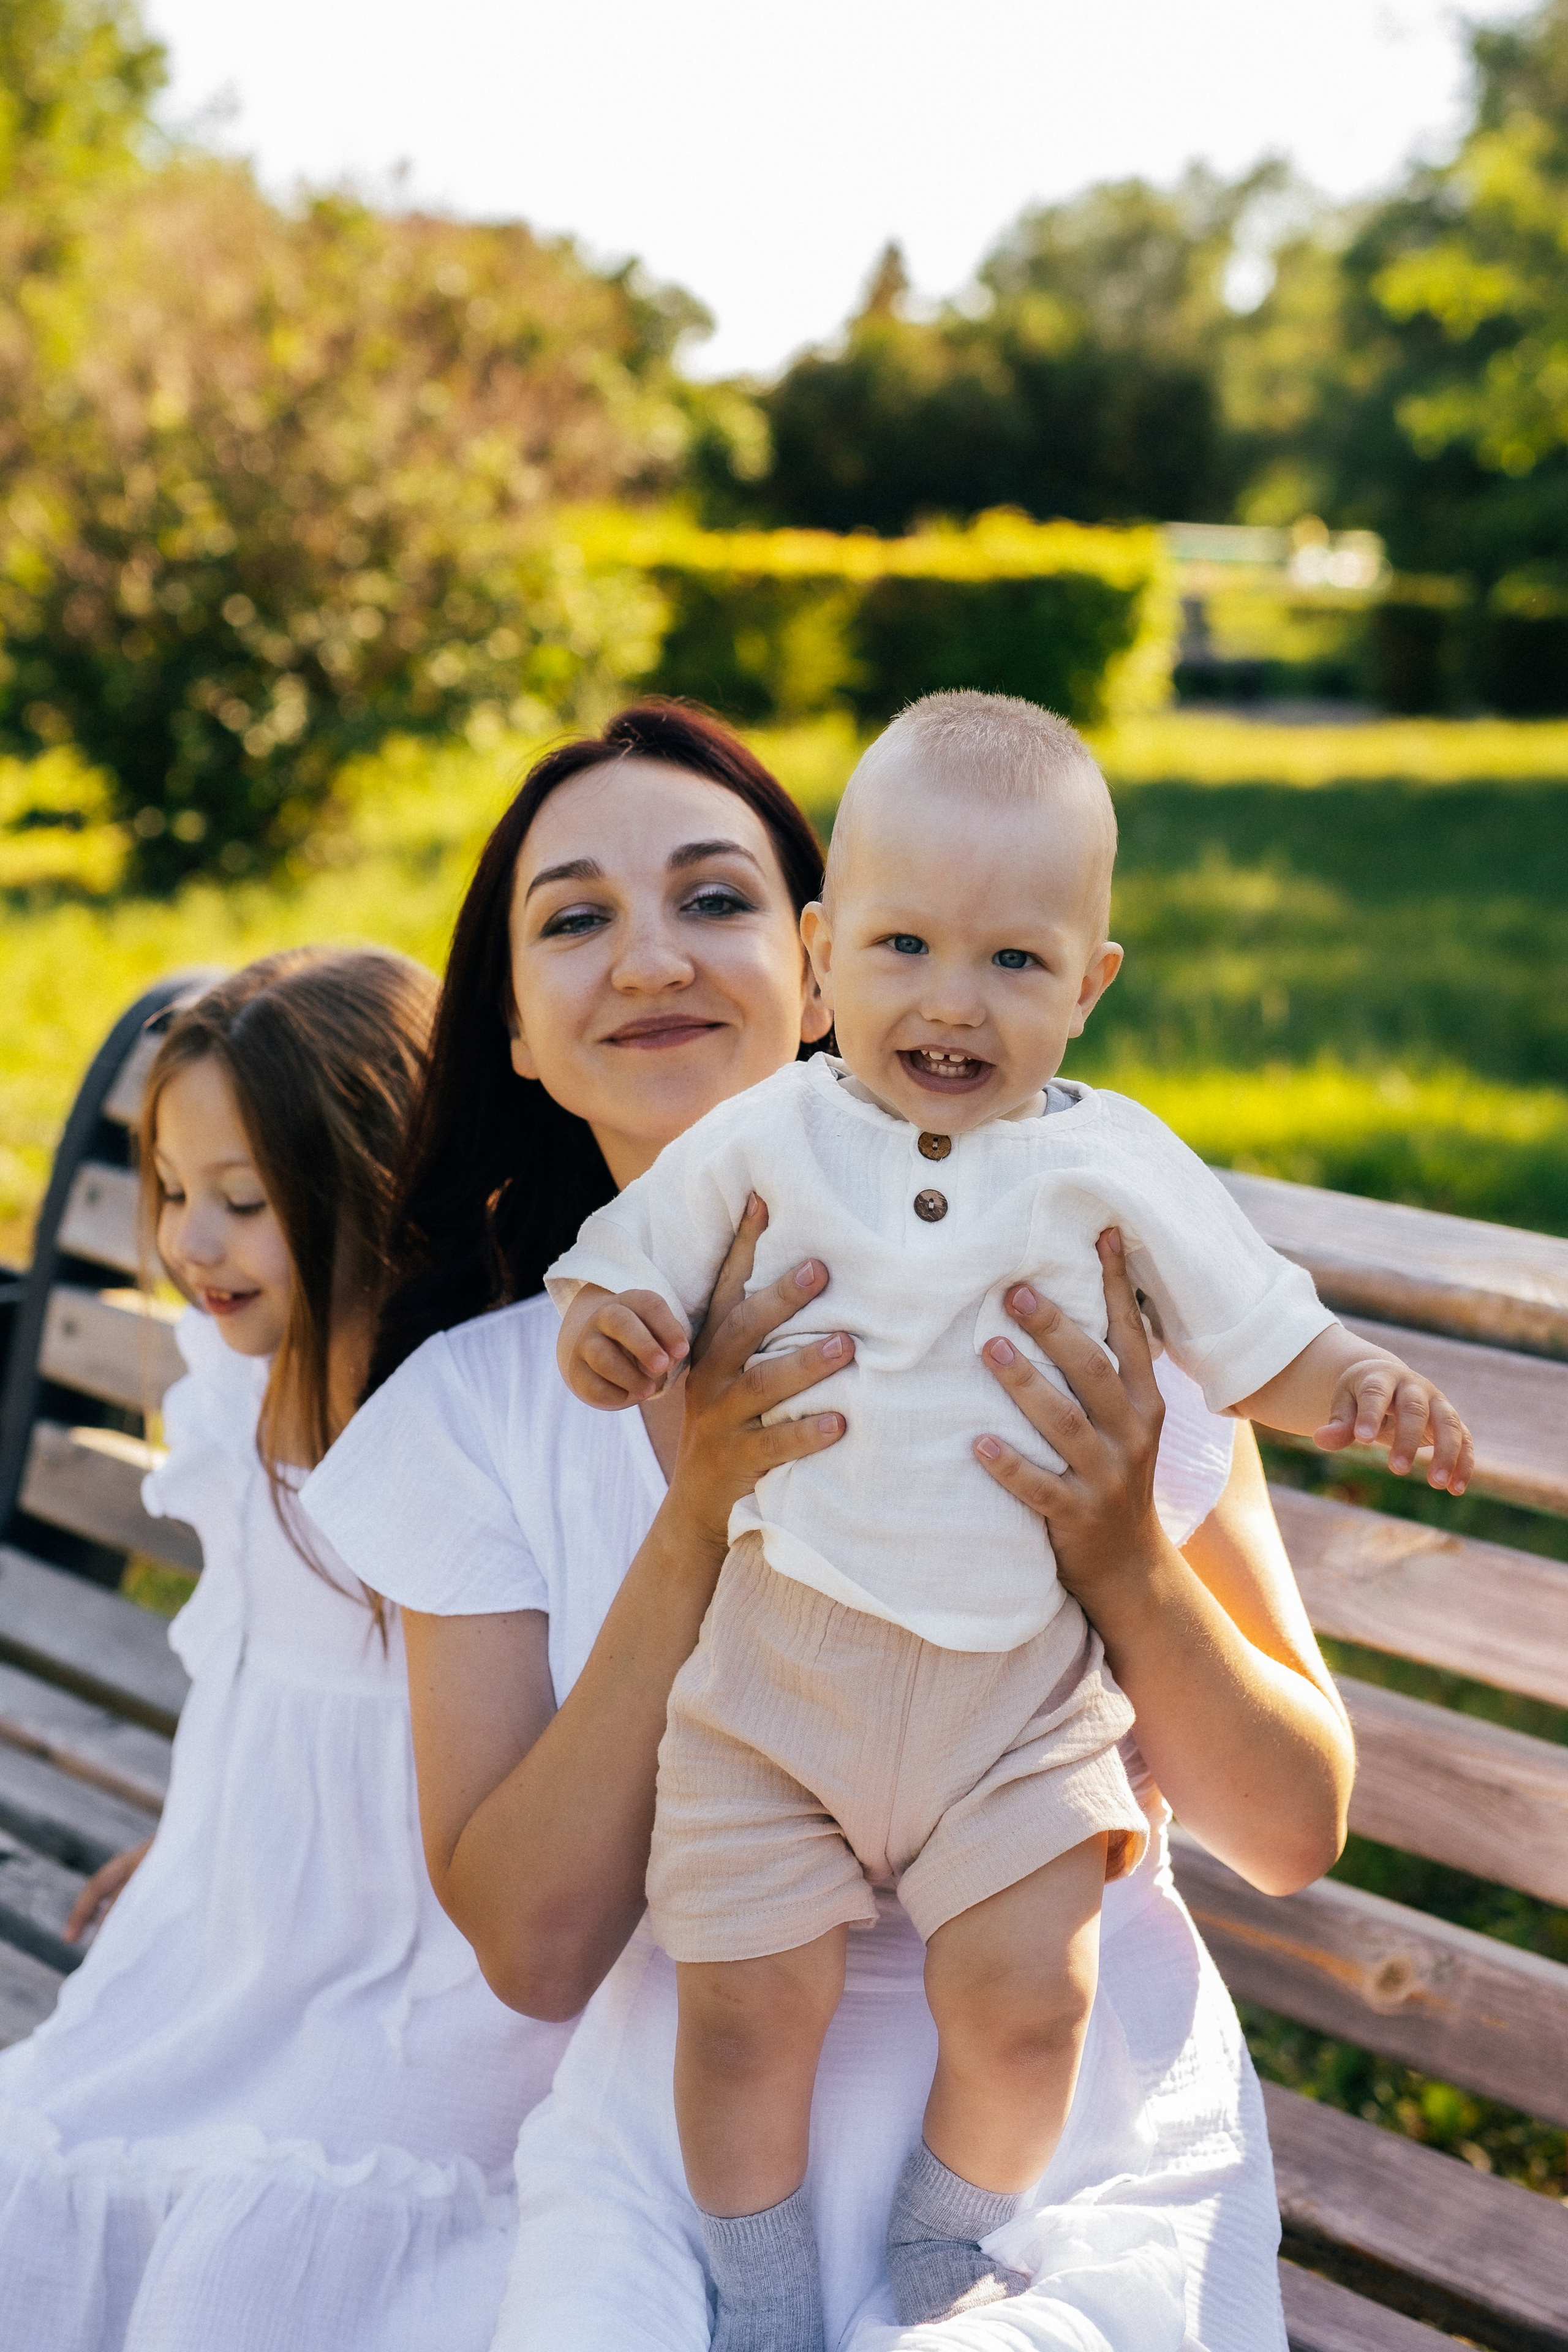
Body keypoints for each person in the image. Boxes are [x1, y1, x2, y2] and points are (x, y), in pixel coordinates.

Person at [301, 701, 1357, 2351]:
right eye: (577, 918)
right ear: (512, 1028)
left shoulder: (1078, 1299)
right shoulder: (475, 1413)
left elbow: (1291, 1831)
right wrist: (699, 1512)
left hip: (1060, 2122)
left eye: (709, 898)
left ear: (811, 970)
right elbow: (537, 1944)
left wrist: (1127, 1561)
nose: (650, 955)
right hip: (697, 2129)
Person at [545, 693, 1469, 2343]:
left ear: (1093, 984)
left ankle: (946, 2243)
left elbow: (1265, 1338)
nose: (952, 1005)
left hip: (1017, 1702)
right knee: (745, 2004)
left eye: (1016, 965)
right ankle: (754, 2292)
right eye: (904, 948)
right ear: (825, 959)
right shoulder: (768, 1134)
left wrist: (1364, 1393)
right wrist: (606, 1322)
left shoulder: (1120, 1171)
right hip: (783, 1675)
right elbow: (633, 1252)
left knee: (1032, 2001)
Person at [0, 951, 573, 2352]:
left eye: (243, 1204)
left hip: (426, 1958)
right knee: (33, 2160)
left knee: (259, 2249)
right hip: (250, 1917)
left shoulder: (472, 1415)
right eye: (179, 1196)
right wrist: (209, 1833)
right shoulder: (235, 1383)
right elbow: (254, 1666)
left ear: (378, 1182)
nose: (192, 1245)